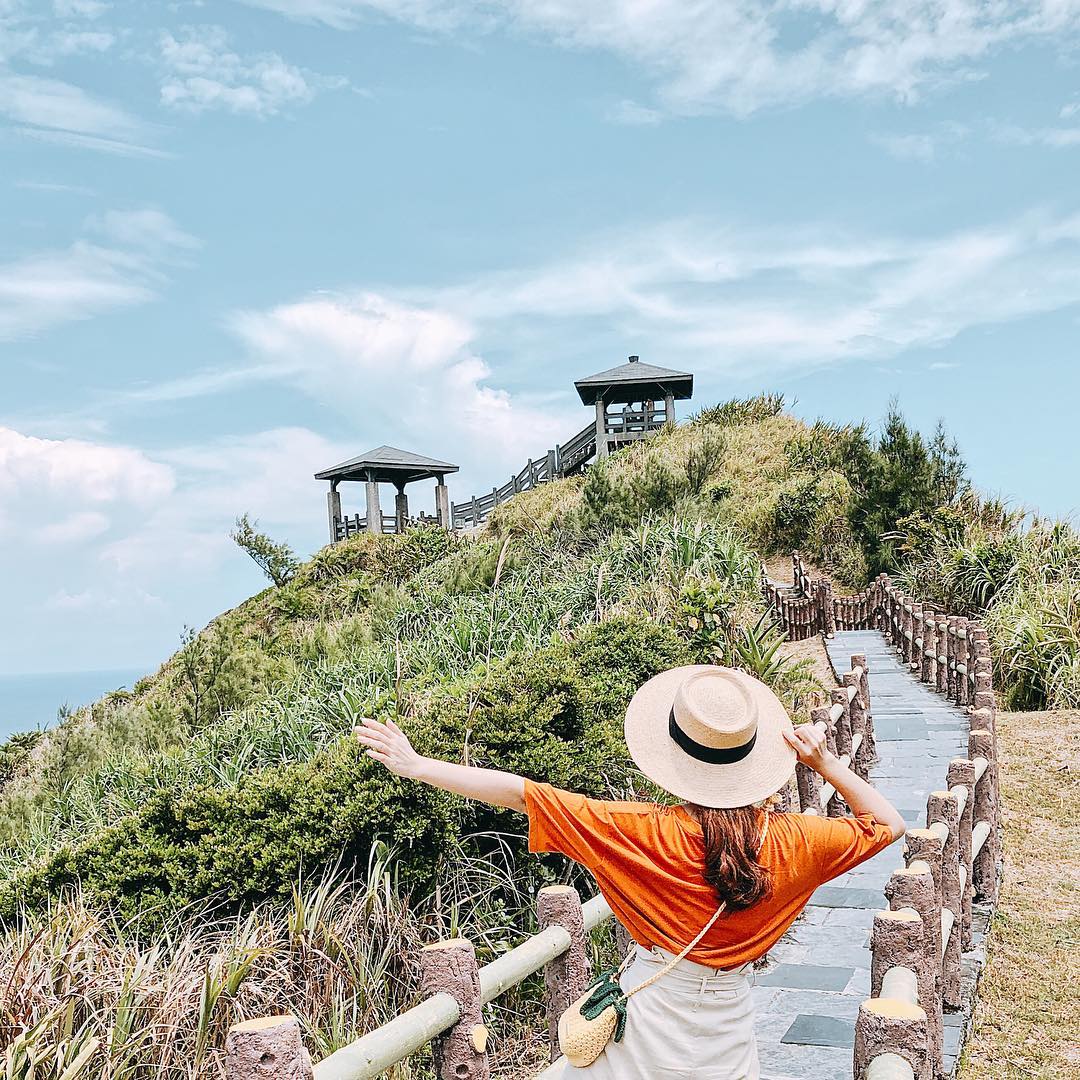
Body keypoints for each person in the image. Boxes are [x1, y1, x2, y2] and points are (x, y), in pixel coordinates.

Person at [355, 662, 905, 1079]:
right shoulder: (793, 840)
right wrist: (824, 762)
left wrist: (417, 765)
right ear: (753, 758)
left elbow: (524, 794)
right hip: (729, 1023)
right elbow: (886, 824)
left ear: (674, 756)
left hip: (650, 1012)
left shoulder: (636, 830)